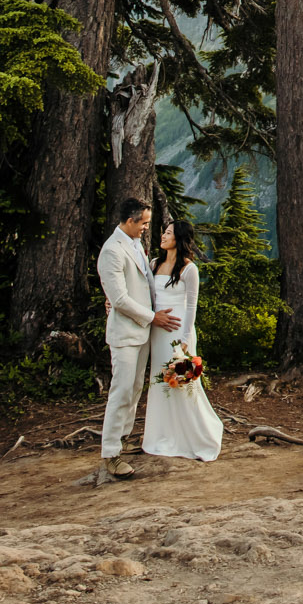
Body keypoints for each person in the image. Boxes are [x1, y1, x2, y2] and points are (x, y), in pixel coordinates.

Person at [87, 196, 177, 485]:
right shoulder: (112, 251)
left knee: (136, 388)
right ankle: (110, 453)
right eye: (144, 223)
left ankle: (123, 439)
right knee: (121, 390)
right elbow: (121, 299)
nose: (146, 229)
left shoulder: (135, 244)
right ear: (129, 220)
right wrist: (153, 317)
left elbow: (143, 281)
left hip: (141, 333)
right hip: (126, 334)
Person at [141, 216, 224, 462]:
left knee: (183, 382)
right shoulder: (154, 263)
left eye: (168, 233)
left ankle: (199, 436)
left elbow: (191, 306)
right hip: (158, 330)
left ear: (179, 238)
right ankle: (161, 436)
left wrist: (187, 339)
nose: (163, 236)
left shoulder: (189, 269)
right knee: (160, 381)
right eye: (164, 232)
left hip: (179, 334)